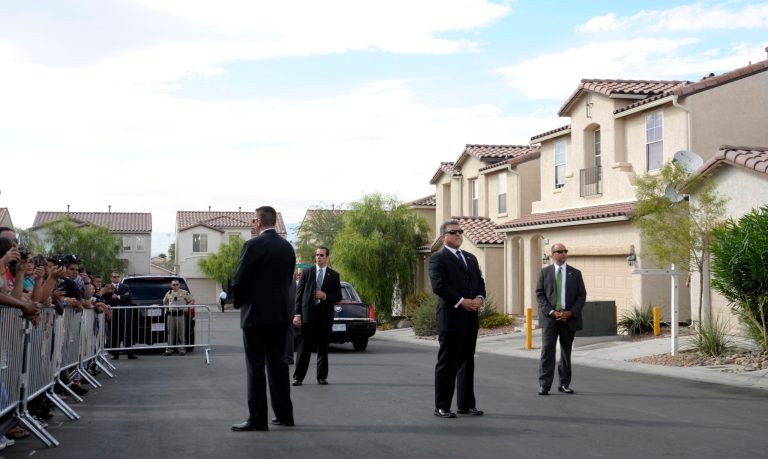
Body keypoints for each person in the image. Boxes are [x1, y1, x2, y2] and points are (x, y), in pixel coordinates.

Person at [230, 206, 296, 431]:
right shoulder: (287, 247)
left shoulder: (252, 245)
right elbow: (288, 280)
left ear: (258, 222)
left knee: (256, 366)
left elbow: (240, 280)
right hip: (279, 315)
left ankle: (258, 419)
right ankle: (285, 415)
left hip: (255, 315)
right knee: (278, 364)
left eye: (253, 220)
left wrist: (238, 302)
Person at [428, 219, 486, 419]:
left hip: (470, 318)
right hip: (451, 318)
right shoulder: (438, 259)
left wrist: (479, 298)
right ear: (444, 237)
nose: (458, 235)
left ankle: (466, 405)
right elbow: (439, 286)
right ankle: (442, 406)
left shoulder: (470, 258)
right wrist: (462, 301)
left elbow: (479, 282)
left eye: (460, 232)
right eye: (454, 232)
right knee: (447, 363)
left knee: (467, 362)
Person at [536, 243, 587, 395]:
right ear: (552, 254)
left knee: (566, 352)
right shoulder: (545, 273)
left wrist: (571, 312)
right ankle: (544, 385)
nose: (563, 254)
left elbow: (581, 296)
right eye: (560, 251)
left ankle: (564, 384)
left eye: (565, 251)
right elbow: (540, 294)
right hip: (550, 319)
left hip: (568, 319)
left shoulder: (575, 273)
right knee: (547, 351)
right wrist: (551, 312)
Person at [292, 246, 341, 386]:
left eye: (321, 255)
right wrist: (297, 314)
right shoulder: (307, 273)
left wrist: (325, 296)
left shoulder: (334, 275)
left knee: (323, 348)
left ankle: (322, 377)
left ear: (327, 257)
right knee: (303, 348)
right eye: (317, 255)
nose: (318, 257)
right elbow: (299, 295)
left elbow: (337, 296)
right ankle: (298, 377)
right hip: (308, 316)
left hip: (324, 317)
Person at [104, 271, 135, 359]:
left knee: (127, 332)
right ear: (111, 278)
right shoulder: (107, 287)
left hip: (124, 313)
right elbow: (107, 298)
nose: (116, 278)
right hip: (113, 314)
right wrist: (121, 296)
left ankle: (130, 353)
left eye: (117, 277)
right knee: (114, 333)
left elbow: (129, 296)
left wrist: (118, 296)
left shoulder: (125, 286)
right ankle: (115, 353)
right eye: (114, 277)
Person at [163, 281, 195, 356]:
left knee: (181, 333)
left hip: (180, 315)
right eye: (173, 284)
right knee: (170, 333)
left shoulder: (184, 293)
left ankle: (181, 349)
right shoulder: (169, 293)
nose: (175, 286)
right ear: (171, 285)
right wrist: (167, 309)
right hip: (171, 315)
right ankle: (169, 350)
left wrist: (185, 307)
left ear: (179, 285)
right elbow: (165, 302)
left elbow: (192, 301)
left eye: (177, 284)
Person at [283, 272, 298, 365]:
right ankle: (289, 357)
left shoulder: (284, 278)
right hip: (290, 311)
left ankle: (288, 357)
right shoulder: (291, 279)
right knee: (288, 335)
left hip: (283, 311)